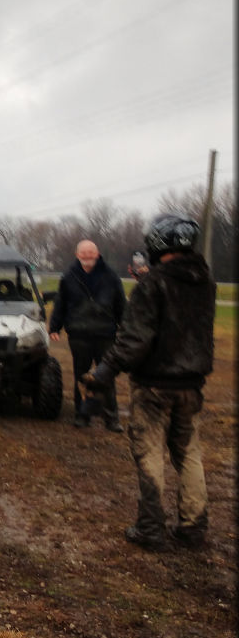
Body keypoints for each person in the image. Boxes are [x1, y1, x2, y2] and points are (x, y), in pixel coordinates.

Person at [81, 214, 215, 551]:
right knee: (189, 455)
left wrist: (104, 372)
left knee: (150, 454)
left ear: (159, 244)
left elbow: (134, 340)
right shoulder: (206, 283)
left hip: (154, 385)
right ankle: (193, 527)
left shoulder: (153, 284)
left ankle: (151, 529)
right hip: (191, 385)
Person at [48, 239, 127, 430]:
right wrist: (54, 327)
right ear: (77, 255)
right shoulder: (69, 277)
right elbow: (61, 304)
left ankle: (112, 418)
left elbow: (121, 305)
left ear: (97, 254)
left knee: (106, 376)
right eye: (83, 253)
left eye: (90, 253)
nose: (87, 256)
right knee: (81, 376)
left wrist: (126, 327)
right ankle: (82, 416)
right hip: (79, 334)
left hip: (105, 334)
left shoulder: (110, 276)